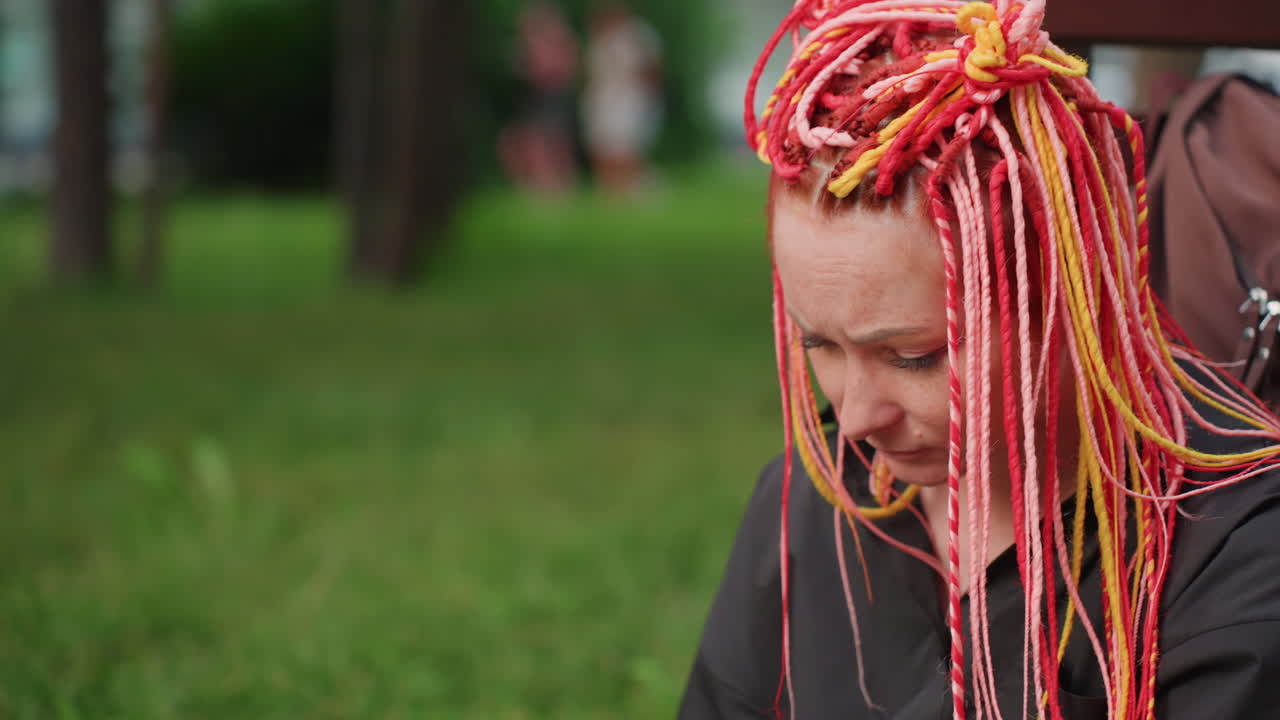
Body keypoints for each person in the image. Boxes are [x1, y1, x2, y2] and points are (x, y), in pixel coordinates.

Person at [680, 1, 1280, 718]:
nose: (860, 417)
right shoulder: (817, 498)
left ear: (1070, 294)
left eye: (912, 357)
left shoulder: (1237, 560)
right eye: (820, 344)